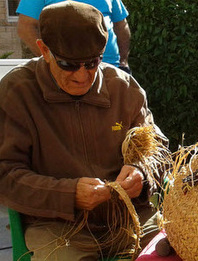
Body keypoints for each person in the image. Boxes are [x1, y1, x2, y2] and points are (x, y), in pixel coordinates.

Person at [0, 2, 167, 260]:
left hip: (131, 218)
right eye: (68, 64)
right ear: (44, 49)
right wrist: (68, 195)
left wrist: (142, 172)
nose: (82, 76)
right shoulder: (18, 92)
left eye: (92, 63)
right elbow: (6, 174)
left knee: (176, 250)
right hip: (57, 226)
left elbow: (158, 149)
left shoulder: (124, 90)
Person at [16, 0, 132, 73]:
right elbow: (26, 28)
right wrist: (53, 61)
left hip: (110, 68)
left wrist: (123, 61)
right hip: (67, 72)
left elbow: (121, 25)